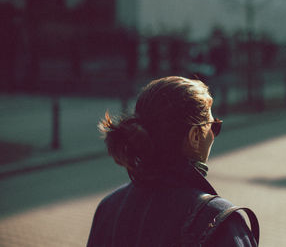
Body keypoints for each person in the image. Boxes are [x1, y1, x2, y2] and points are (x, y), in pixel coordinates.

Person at [87, 76, 259, 246]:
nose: (214, 134)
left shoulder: (108, 208)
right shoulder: (217, 222)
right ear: (195, 136)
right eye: (213, 126)